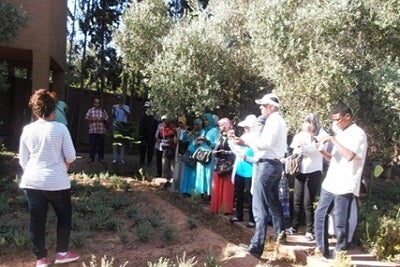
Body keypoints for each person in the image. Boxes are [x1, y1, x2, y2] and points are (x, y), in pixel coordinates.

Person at [18, 89, 79, 267]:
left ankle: (41, 259)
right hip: (57, 182)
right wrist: (62, 169)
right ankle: (62, 253)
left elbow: (23, 160)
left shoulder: (27, 130)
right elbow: (70, 156)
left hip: (32, 181)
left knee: (37, 220)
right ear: (54, 108)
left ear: (36, 110)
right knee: (64, 216)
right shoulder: (60, 129)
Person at [314, 102, 367, 258]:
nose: (335, 123)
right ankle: (322, 249)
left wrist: (332, 140)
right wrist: (322, 151)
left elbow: (350, 156)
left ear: (348, 117)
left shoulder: (358, 134)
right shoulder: (340, 133)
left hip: (345, 184)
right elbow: (334, 160)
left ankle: (340, 252)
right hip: (331, 182)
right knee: (320, 214)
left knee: (340, 220)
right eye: (334, 120)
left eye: (338, 119)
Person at [238, 93, 288, 258]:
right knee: (273, 202)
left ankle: (256, 247)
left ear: (272, 107)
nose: (261, 108)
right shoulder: (278, 121)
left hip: (266, 165)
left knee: (259, 207)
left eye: (263, 105)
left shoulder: (273, 121)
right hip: (274, 165)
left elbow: (264, 144)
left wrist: (249, 139)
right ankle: (281, 235)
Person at [286, 113, 329, 242]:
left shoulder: (321, 135)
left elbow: (313, 150)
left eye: (308, 123)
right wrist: (302, 148)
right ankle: (294, 227)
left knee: (308, 202)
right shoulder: (300, 135)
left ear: (313, 123)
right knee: (297, 200)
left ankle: (310, 231)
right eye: (304, 123)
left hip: (314, 171)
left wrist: (303, 147)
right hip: (300, 170)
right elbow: (294, 150)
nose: (305, 126)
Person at [230, 114, 257, 228]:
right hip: (240, 168)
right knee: (239, 193)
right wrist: (231, 141)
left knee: (250, 195)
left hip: (251, 170)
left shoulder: (257, 137)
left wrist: (245, 144)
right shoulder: (244, 135)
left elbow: (257, 152)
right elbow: (237, 150)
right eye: (245, 126)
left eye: (247, 126)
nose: (245, 128)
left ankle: (252, 219)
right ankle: (239, 215)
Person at [210, 118, 236, 214]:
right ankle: (216, 207)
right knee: (217, 184)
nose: (220, 127)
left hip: (227, 165)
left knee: (226, 187)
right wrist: (215, 151)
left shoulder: (232, 135)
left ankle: (225, 209)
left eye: (221, 125)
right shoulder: (220, 136)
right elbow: (217, 147)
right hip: (219, 163)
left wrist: (225, 152)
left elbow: (236, 151)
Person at [194, 113, 220, 198]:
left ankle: (210, 194)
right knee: (200, 173)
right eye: (204, 120)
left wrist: (207, 141)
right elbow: (199, 142)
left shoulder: (215, 131)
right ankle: (201, 192)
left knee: (209, 174)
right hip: (201, 153)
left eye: (207, 120)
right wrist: (197, 141)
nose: (205, 122)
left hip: (209, 154)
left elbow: (216, 145)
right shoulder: (204, 130)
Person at [180, 118, 203, 195]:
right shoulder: (191, 133)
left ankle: (191, 191)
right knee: (187, 173)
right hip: (189, 154)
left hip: (196, 155)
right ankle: (185, 190)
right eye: (194, 124)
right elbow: (183, 140)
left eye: (197, 124)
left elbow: (201, 143)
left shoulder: (202, 133)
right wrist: (188, 133)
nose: (196, 126)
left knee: (194, 173)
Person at [85, 97, 109, 163]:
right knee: (92, 145)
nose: (97, 104)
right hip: (93, 130)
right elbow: (86, 118)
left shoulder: (103, 110)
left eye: (98, 103)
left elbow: (106, 118)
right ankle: (91, 158)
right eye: (96, 103)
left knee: (101, 146)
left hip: (101, 131)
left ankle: (101, 158)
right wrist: (93, 119)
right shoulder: (90, 110)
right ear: (93, 103)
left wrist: (102, 119)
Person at [156, 115, 176, 185]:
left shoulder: (173, 129)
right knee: (164, 166)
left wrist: (171, 140)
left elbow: (176, 138)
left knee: (172, 166)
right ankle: (164, 181)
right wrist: (160, 141)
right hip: (165, 149)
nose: (164, 122)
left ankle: (172, 181)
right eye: (163, 121)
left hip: (172, 149)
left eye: (165, 120)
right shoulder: (161, 130)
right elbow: (158, 138)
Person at [112, 95, 131, 164]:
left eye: (120, 100)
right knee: (115, 143)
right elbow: (113, 116)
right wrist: (114, 110)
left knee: (122, 143)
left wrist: (122, 108)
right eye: (118, 100)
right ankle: (114, 158)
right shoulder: (115, 106)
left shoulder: (126, 107)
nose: (119, 101)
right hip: (116, 126)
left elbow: (128, 114)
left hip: (123, 127)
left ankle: (121, 158)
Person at [138, 101, 158, 166]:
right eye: (146, 107)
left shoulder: (153, 116)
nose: (147, 108)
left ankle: (149, 161)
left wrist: (154, 133)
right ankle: (142, 161)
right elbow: (140, 124)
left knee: (150, 149)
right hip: (143, 134)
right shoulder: (142, 114)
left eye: (148, 107)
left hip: (151, 135)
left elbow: (155, 125)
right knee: (142, 148)